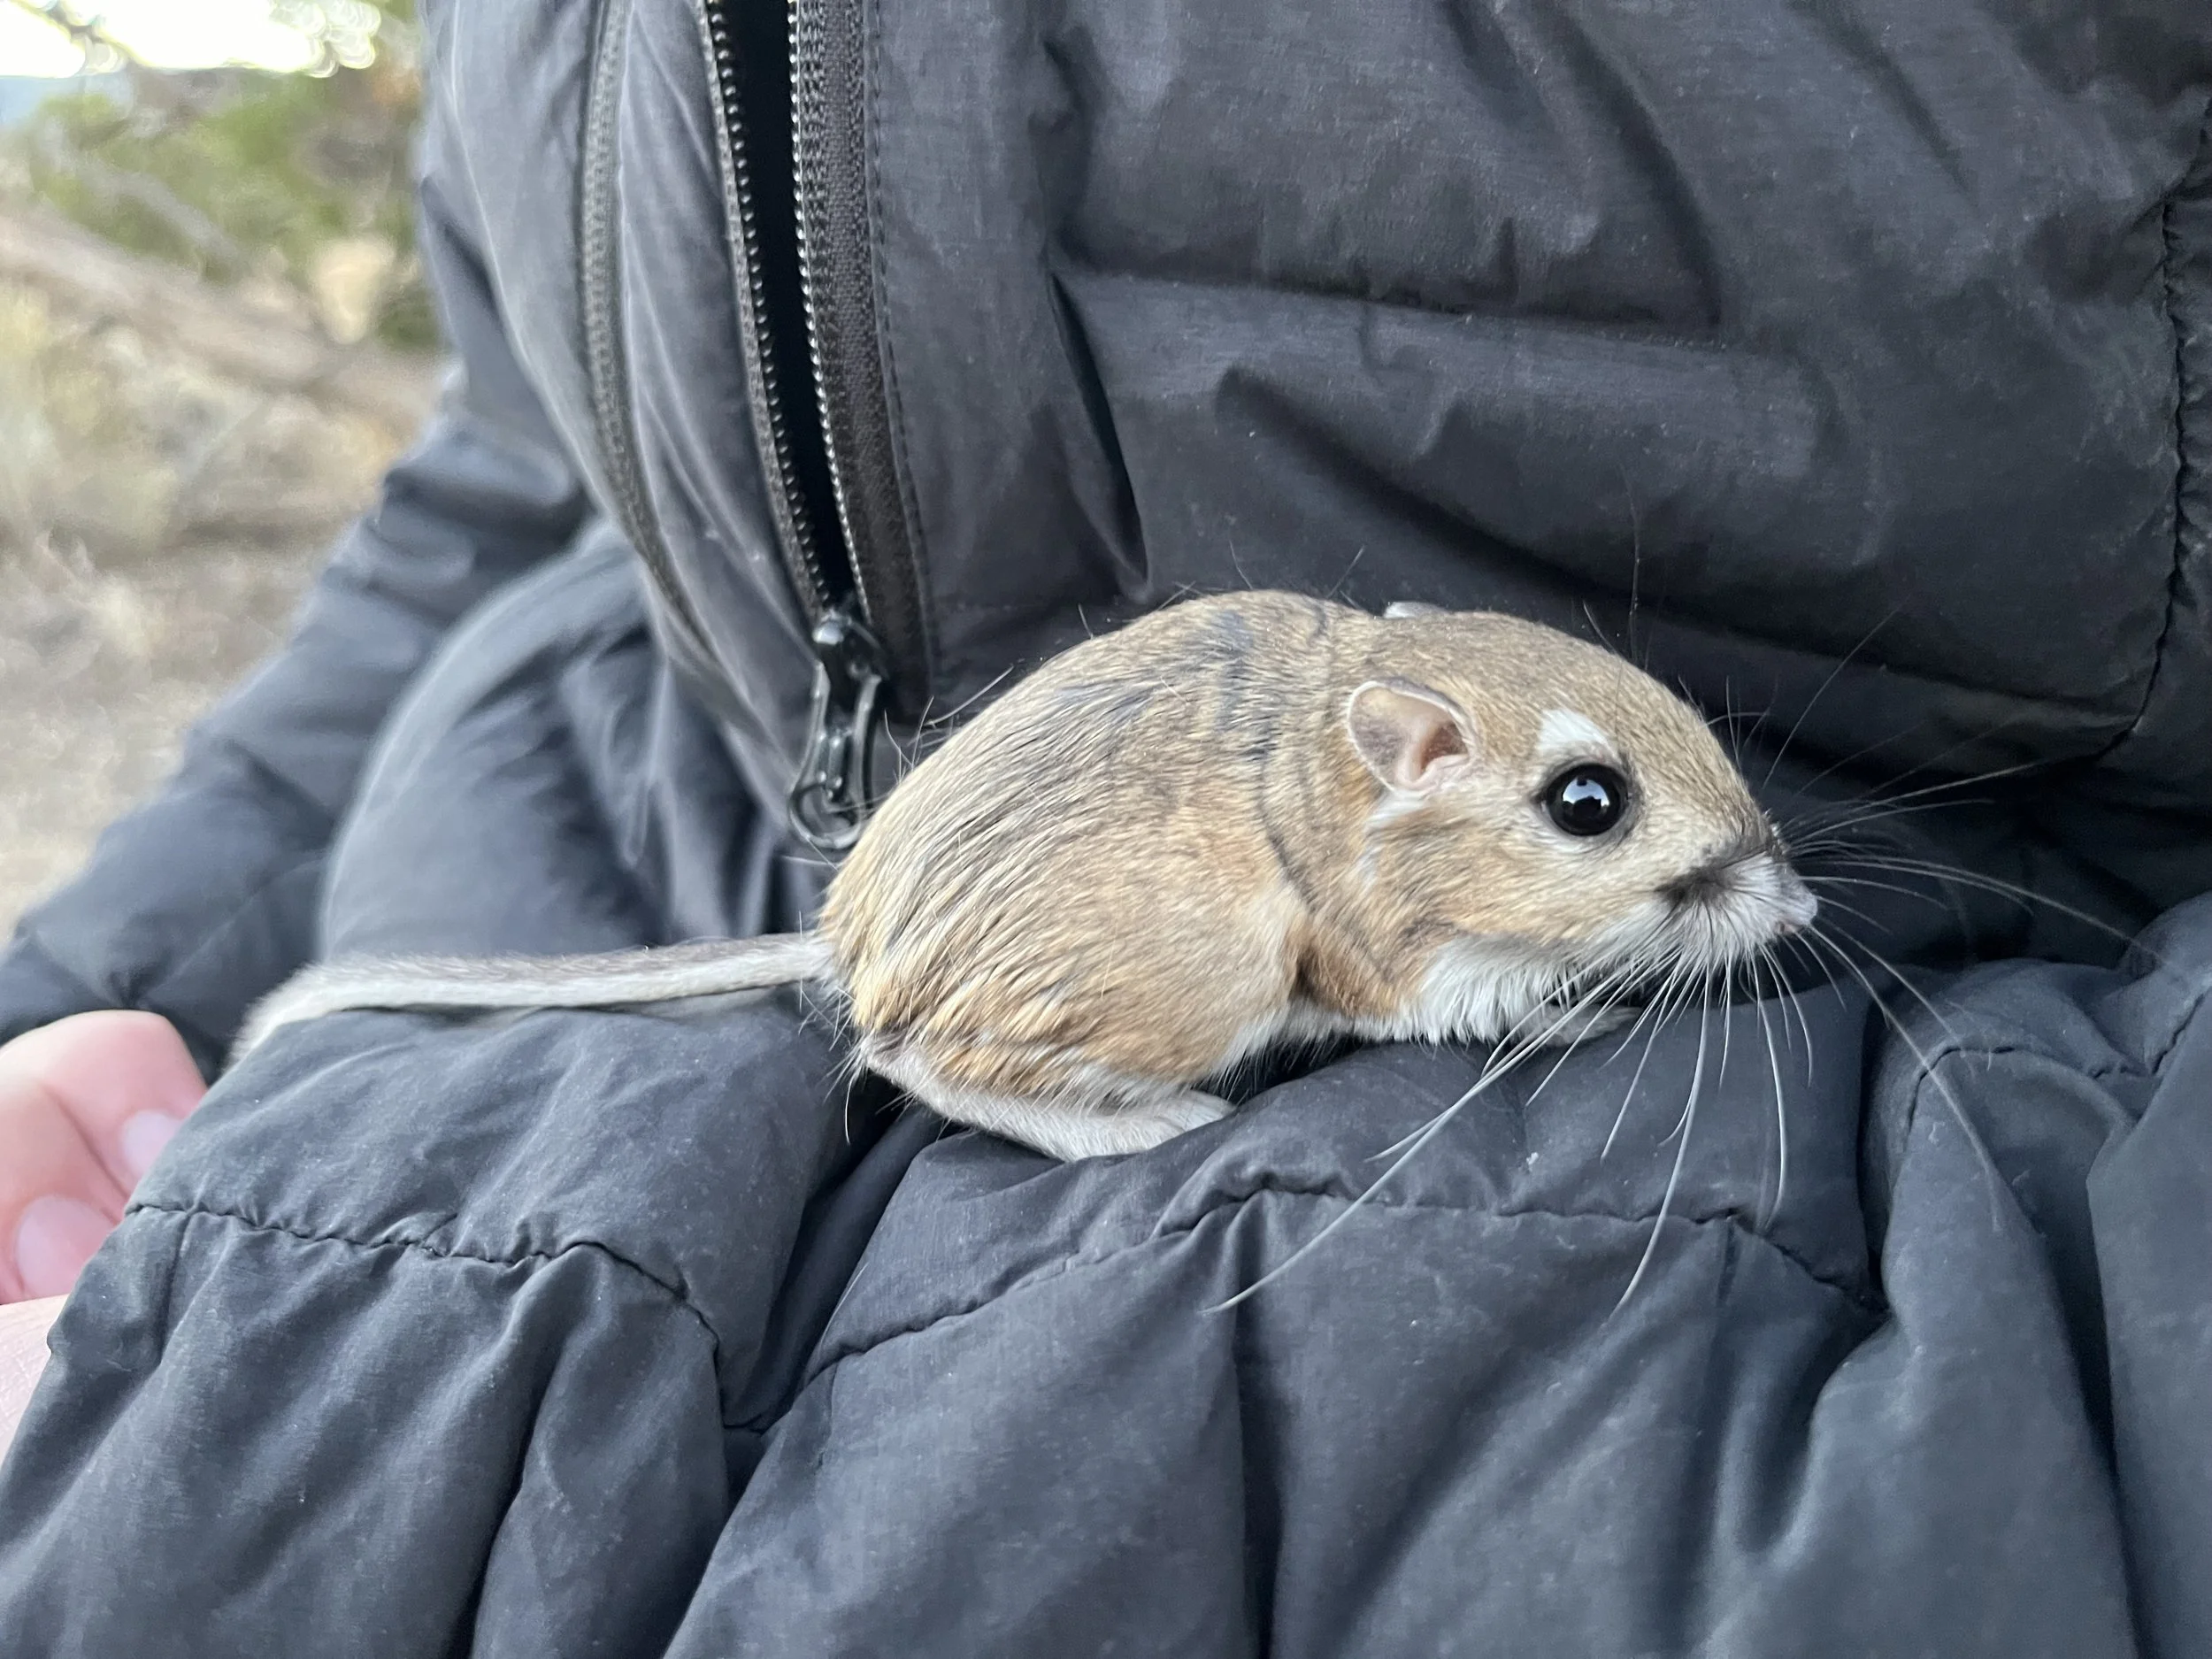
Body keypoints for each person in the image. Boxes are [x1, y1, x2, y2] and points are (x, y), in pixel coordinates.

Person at [0, 0, 2208, 1651]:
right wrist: (84, 995)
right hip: (461, 1205)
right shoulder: (1384, 856)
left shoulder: (1422, 789)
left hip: (1747, 1297)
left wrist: (301, 1348)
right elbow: (512, 475)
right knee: (1207, 963)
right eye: (1595, 813)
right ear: (1413, 756)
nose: (1743, 887)